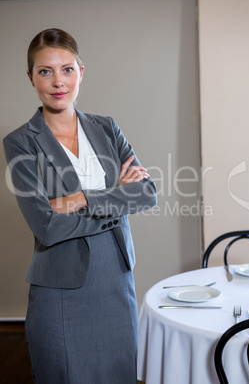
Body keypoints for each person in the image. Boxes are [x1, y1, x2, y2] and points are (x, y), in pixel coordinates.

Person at [3, 28, 157, 384]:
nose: (58, 81)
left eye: (67, 69)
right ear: (31, 77)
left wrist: (81, 198)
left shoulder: (107, 128)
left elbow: (147, 192)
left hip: (116, 281)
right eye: (45, 71)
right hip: (61, 289)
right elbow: (47, 226)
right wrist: (116, 197)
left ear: (81, 72)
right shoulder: (20, 143)